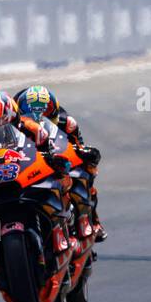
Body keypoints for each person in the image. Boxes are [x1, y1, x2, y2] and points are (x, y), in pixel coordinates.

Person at [13, 85, 106, 242]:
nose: (39, 120)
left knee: (87, 172)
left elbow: (79, 145)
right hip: (30, 163)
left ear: (53, 113)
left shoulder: (67, 122)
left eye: (45, 116)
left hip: (60, 159)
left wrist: (85, 154)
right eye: (32, 116)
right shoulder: (16, 124)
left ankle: (94, 221)